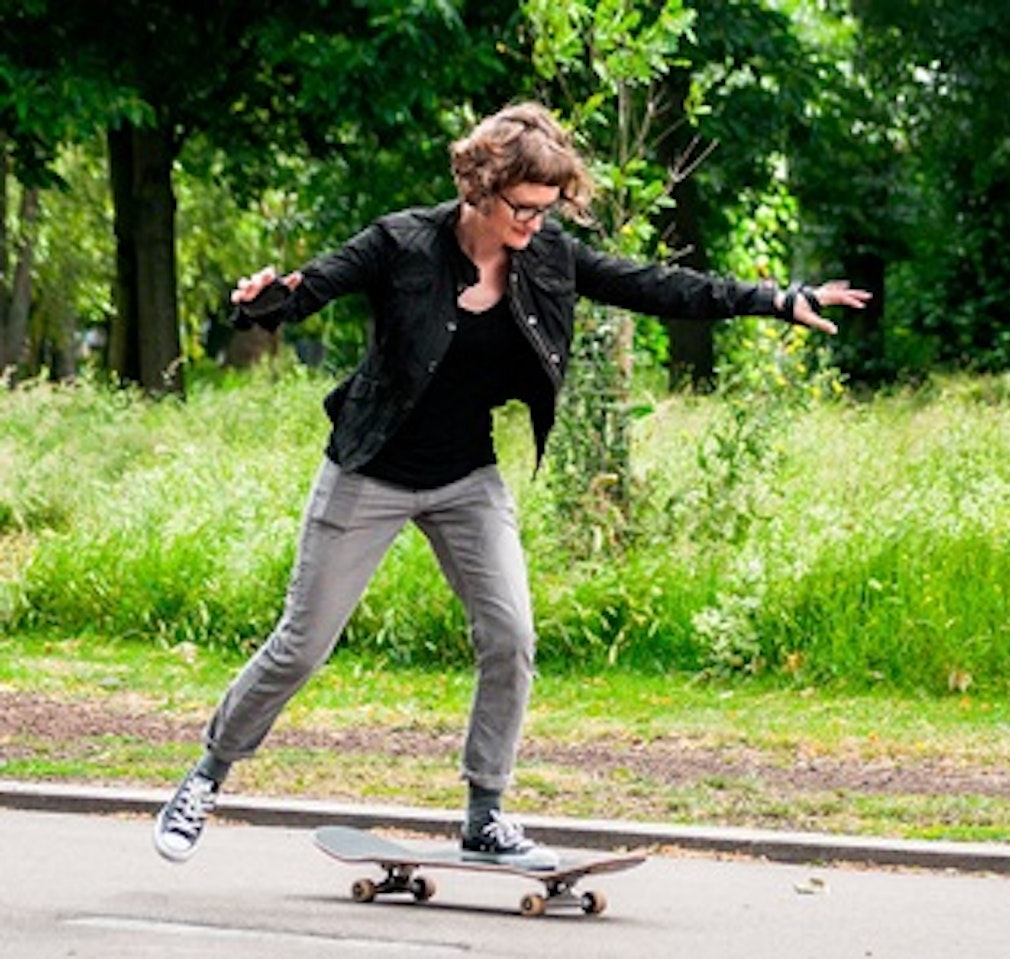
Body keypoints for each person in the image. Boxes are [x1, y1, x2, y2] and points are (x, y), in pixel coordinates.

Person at [153, 101, 871, 868]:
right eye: (523, 207)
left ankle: (485, 812)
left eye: (548, 207)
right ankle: (207, 774)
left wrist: (771, 299)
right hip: (370, 469)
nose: (535, 222)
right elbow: (306, 290)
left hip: (465, 477)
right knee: (301, 646)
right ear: (479, 189)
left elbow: (653, 285)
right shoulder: (401, 243)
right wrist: (261, 297)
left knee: (511, 637)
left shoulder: (550, 254)